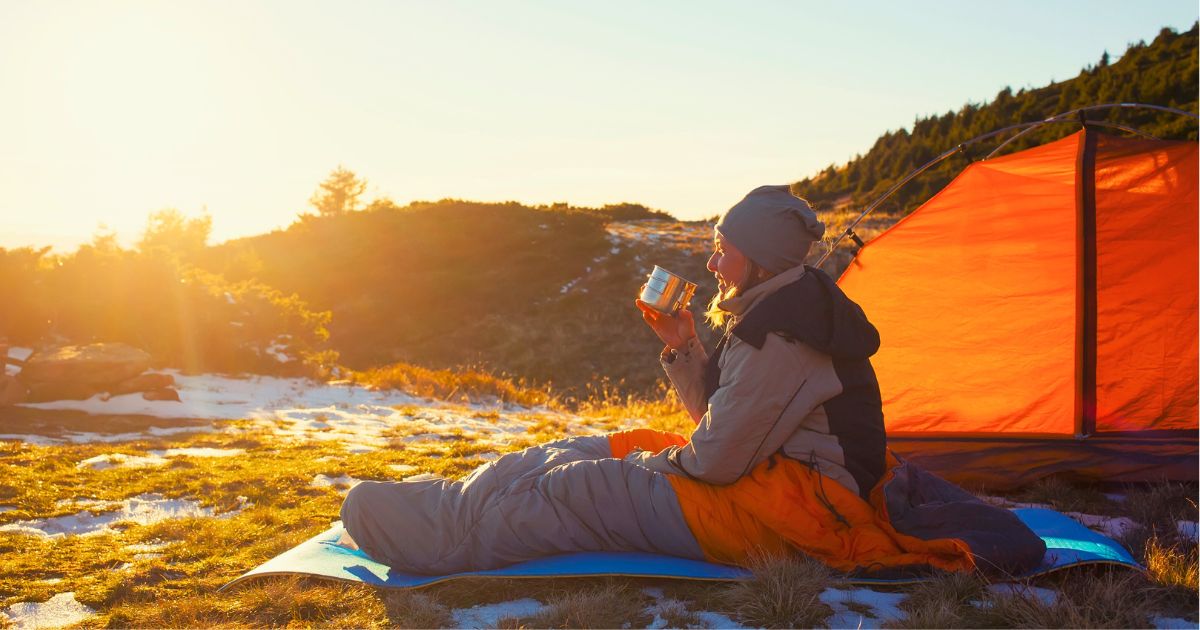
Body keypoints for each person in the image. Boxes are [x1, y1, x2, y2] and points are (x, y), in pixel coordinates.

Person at [339, 185, 1044, 577]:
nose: (711, 263)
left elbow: (715, 459)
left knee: (581, 487)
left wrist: (652, 466)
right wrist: (685, 348)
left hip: (801, 509)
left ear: (759, 259)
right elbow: (727, 421)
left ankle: (444, 544)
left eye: (722, 249)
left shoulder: (782, 333)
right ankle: (451, 504)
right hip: (774, 478)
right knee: (588, 447)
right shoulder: (776, 305)